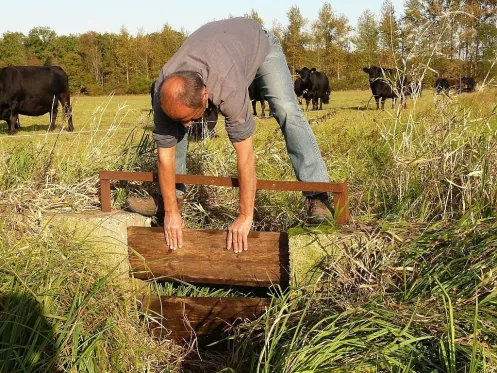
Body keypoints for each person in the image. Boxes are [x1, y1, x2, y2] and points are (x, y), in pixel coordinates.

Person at [126, 18, 332, 253]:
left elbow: (245, 156)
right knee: (174, 130)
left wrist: (245, 216)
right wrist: (171, 213)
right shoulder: (164, 89)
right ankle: (172, 200)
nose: (187, 124)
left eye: (192, 117)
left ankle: (319, 196)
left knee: (286, 109)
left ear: (206, 96)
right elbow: (165, 156)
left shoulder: (228, 86)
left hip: (259, 43)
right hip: (219, 46)